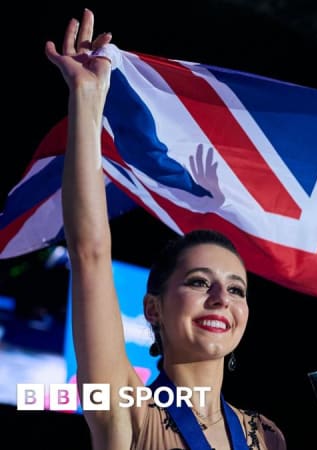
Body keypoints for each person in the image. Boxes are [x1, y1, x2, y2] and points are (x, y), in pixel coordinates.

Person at [45, 8, 286, 450]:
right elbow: (90, 253)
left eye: (237, 290)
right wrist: (87, 98)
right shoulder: (127, 410)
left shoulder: (266, 435)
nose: (222, 299)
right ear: (152, 309)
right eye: (199, 282)